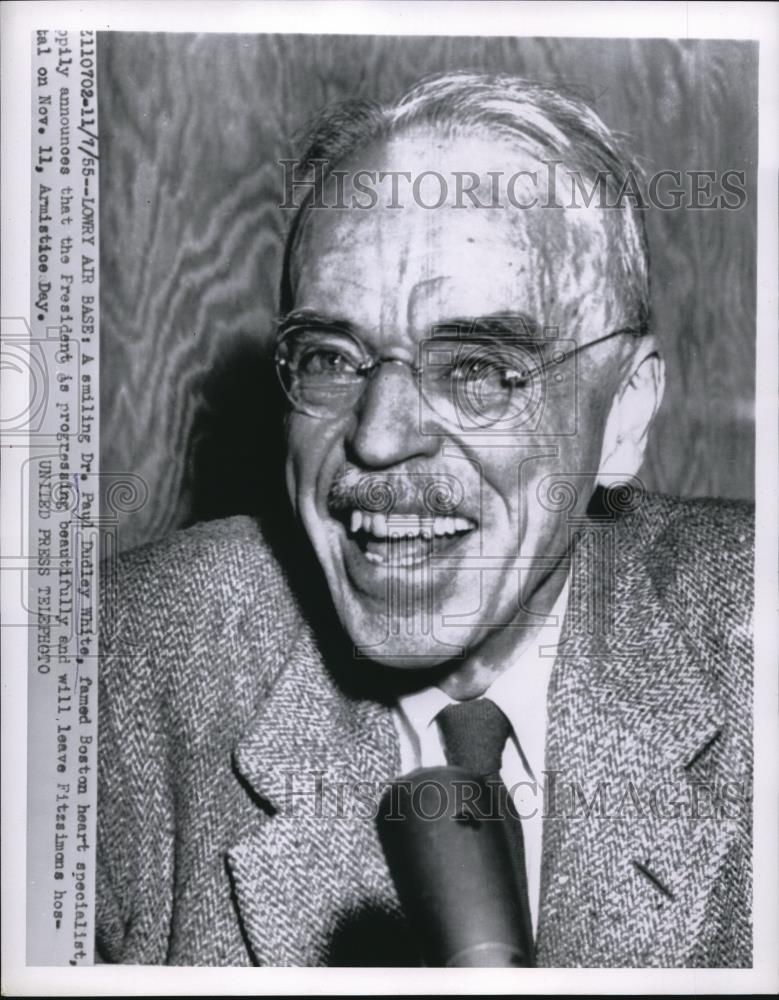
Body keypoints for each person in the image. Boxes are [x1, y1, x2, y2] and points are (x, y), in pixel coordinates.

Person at [96, 73, 753, 967]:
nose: (376, 438)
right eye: (331, 358)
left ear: (625, 416)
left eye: (477, 369)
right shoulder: (115, 662)